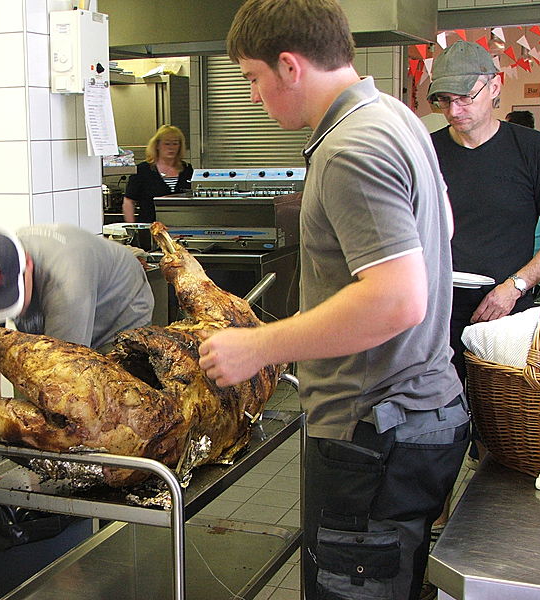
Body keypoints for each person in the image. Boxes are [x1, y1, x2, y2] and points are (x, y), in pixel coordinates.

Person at [197, 2, 469, 599]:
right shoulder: (395, 116)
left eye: (253, 78)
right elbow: (442, 227)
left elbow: (397, 300)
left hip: (375, 432)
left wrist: (259, 346)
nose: (253, 97)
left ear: (290, 66)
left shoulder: (350, 147)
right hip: (419, 413)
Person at [427, 40, 540, 538]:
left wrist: (515, 285)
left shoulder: (531, 150)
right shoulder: (428, 152)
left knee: (499, 427)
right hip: (434, 311)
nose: (455, 111)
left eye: (466, 97)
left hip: (504, 313)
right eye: (444, 100)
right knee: (432, 425)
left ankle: (489, 533)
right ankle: (433, 525)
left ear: (495, 86)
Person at [0, 224, 154, 405]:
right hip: (65, 302)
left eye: (12, 297)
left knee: (113, 399)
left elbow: (65, 382)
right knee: (29, 387)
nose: (17, 313)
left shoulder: (65, 282)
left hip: (120, 306)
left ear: (27, 264)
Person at [122, 124, 193, 223]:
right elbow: (129, 201)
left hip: (181, 227)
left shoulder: (187, 169)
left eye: (175, 143)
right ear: (157, 145)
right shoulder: (142, 170)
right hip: (150, 227)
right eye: (167, 144)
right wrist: (132, 227)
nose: (171, 148)